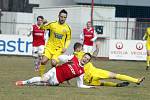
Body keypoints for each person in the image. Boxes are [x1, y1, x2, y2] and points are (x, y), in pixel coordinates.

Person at [73, 42, 145, 87]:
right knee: (115, 75)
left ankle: (116, 85)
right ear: (78, 48)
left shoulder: (72, 58)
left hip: (88, 80)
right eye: (82, 48)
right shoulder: (81, 54)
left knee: (102, 83)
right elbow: (94, 55)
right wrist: (97, 47)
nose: (82, 50)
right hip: (94, 72)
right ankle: (136, 80)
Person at [16, 53, 94, 88]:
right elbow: (59, 57)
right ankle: (23, 82)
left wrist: (90, 87)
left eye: (87, 59)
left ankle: (32, 84)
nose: (85, 59)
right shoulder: (73, 58)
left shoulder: (81, 72)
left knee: (40, 83)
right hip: (55, 71)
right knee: (43, 79)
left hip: (56, 81)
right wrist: (66, 60)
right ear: (82, 56)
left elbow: (80, 85)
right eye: (85, 57)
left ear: (88, 61)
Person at [39, 9, 71, 76]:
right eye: (61, 17)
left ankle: (54, 76)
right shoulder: (52, 24)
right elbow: (41, 28)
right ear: (58, 16)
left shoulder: (67, 28)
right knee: (43, 61)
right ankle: (41, 77)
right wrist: (43, 23)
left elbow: (68, 39)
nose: (63, 18)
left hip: (59, 49)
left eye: (64, 17)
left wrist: (65, 47)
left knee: (53, 63)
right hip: (49, 47)